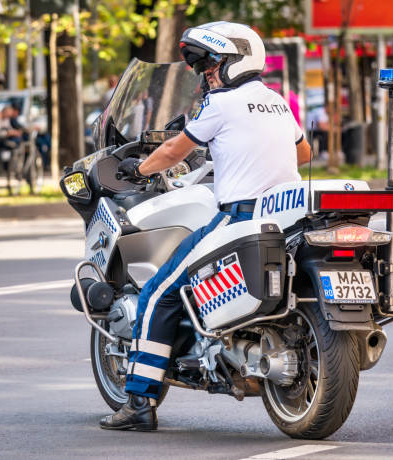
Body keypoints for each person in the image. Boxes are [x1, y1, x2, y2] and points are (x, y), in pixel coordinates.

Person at [100, 21, 311, 431]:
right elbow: (303, 150)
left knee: (159, 293)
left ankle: (140, 401)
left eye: (211, 63)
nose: (205, 72)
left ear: (237, 62)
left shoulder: (221, 104)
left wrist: (139, 168)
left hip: (241, 216)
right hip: (284, 214)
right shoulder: (276, 102)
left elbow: (176, 148)